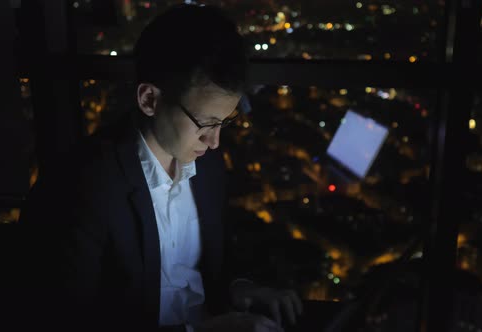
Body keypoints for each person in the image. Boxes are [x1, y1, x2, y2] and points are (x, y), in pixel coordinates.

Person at [19, 4, 302, 332]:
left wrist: (244, 288)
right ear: (149, 99)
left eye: (225, 122)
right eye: (205, 123)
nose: (214, 142)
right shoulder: (79, 189)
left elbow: (216, 264)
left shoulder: (206, 167)